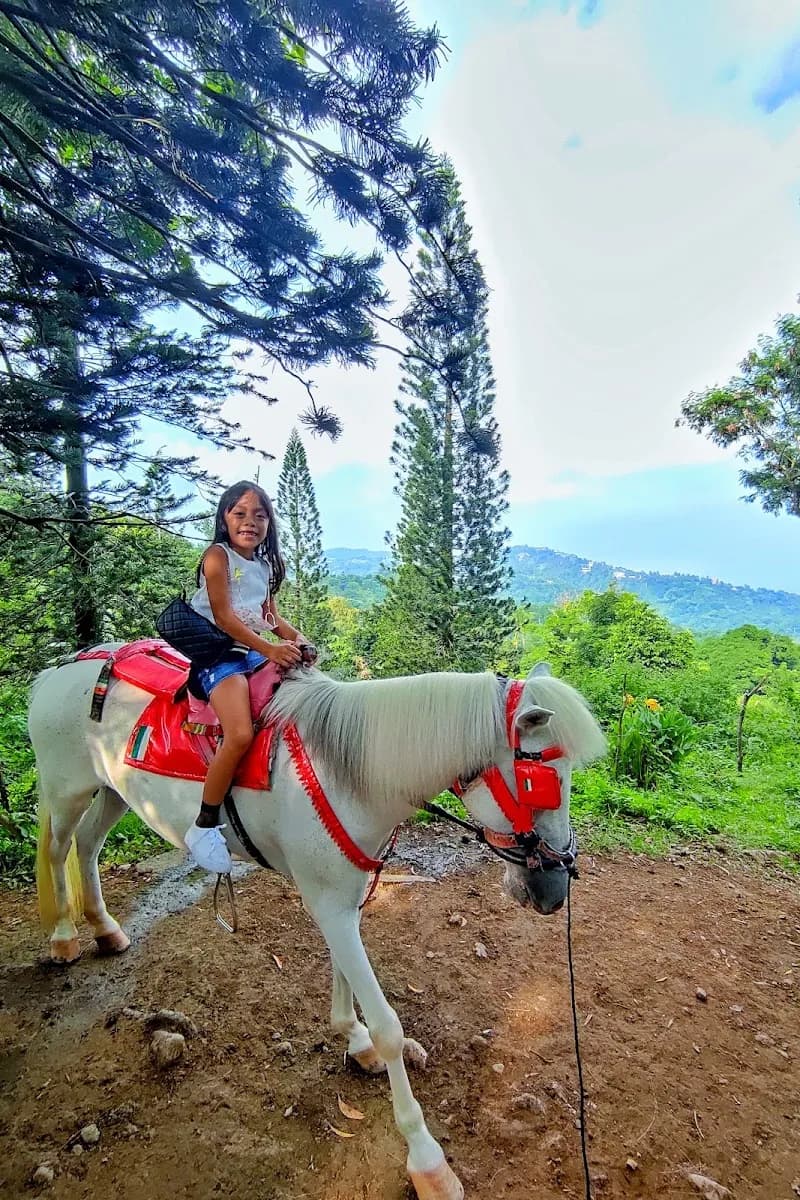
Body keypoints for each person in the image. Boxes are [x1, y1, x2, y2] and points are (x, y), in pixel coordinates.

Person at [183, 481, 313, 873]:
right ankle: (203, 823)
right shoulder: (216, 557)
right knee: (239, 732)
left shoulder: (263, 564)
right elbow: (224, 617)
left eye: (260, 515)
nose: (250, 522)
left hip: (251, 653)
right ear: (225, 518)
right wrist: (271, 649)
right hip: (218, 655)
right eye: (240, 513)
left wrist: (298, 641)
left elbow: (268, 616)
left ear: (269, 524)